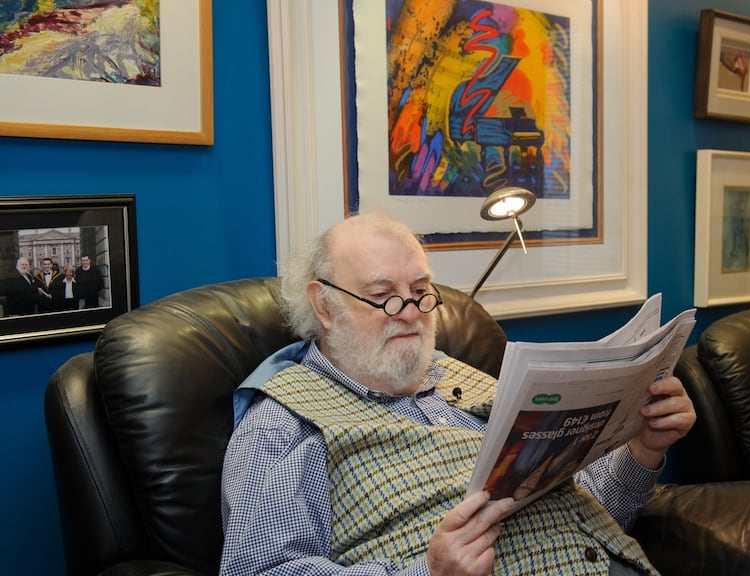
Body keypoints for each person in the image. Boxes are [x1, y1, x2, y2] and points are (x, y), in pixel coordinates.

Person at [219, 211, 697, 575]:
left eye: (421, 289)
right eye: (384, 295)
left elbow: (581, 505)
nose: (410, 311)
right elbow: (260, 569)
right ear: (324, 306)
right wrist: (426, 572)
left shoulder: (463, 376)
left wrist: (643, 449)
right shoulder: (282, 423)